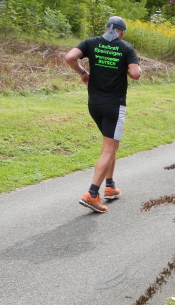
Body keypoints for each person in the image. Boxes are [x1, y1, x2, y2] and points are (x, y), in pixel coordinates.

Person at [65, 16, 141, 213]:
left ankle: (110, 185)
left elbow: (70, 57)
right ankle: (92, 194)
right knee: (108, 149)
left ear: (107, 28)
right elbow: (135, 74)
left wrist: (83, 73)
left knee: (111, 144)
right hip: (114, 105)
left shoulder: (91, 42)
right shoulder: (125, 48)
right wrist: (129, 65)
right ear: (121, 31)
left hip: (94, 104)